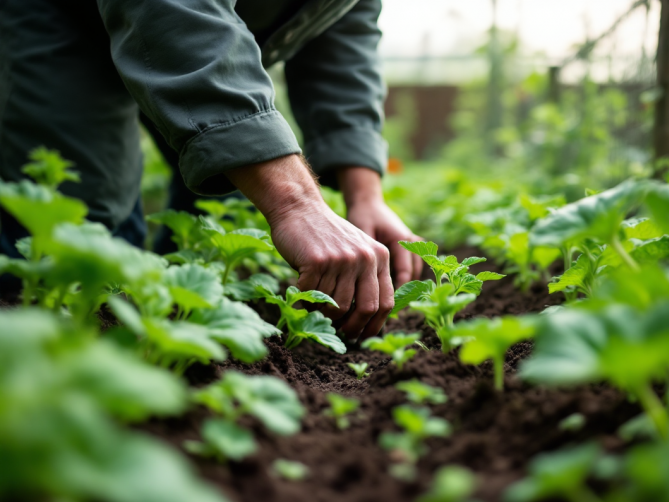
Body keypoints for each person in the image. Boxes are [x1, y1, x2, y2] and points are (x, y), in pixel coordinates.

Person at [0, 0, 423, 340]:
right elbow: (174, 11)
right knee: (77, 237)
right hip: (62, 16)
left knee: (236, 197)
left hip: (207, 33)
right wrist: (296, 202)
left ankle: (168, 330)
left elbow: (342, 27)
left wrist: (364, 193)